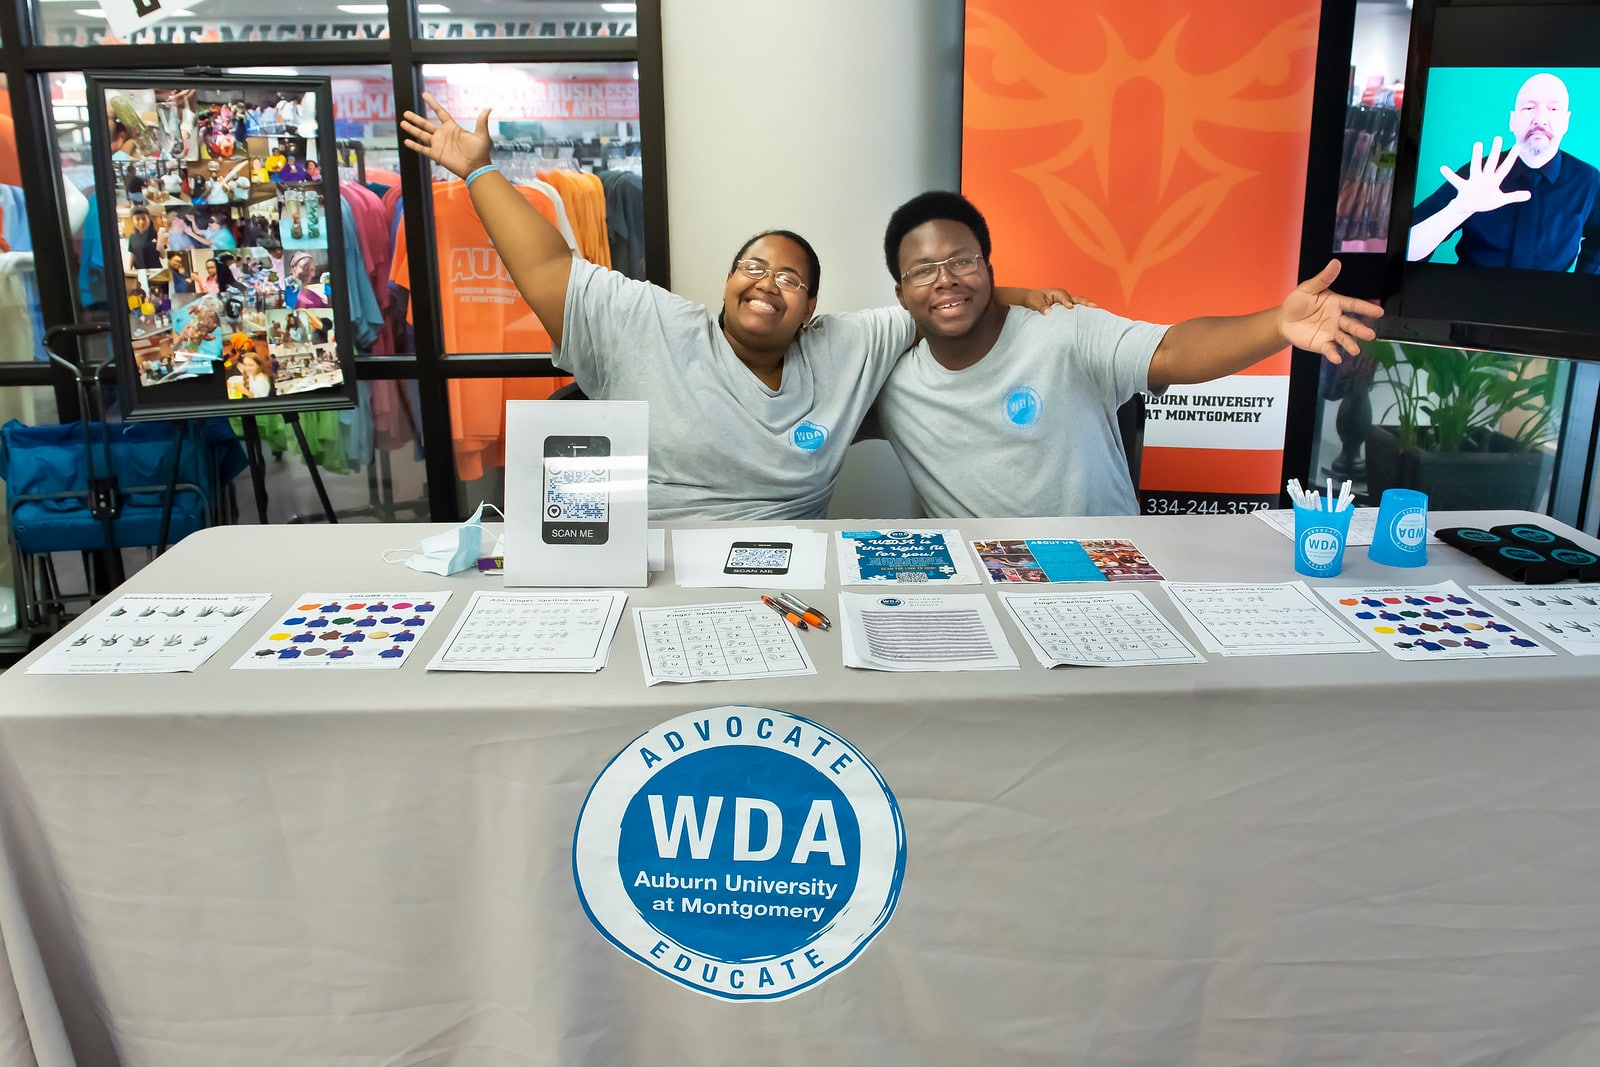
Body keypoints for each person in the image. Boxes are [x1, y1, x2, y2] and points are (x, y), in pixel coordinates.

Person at [399, 93, 1070, 520]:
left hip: (785, 582)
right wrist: (480, 172)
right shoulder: (649, 325)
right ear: (724, 283)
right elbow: (548, 266)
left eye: (790, 278)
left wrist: (1019, 294)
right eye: (752, 267)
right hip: (657, 570)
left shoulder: (844, 347)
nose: (767, 283)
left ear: (810, 309)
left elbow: (935, 299)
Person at [872, 191, 1384, 518]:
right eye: (922, 270)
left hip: (1107, 573)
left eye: (962, 260)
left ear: (988, 267)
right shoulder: (891, 386)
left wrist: (1277, 324)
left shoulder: (1062, 330)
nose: (945, 280)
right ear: (901, 293)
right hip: (984, 587)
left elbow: (1174, 349)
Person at [1408, 73, 1600, 272]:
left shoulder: (1589, 180)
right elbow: (1405, 250)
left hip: (1550, 300)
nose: (1541, 119)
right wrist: (1457, 210)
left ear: (1566, 121)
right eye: (1529, 108)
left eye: (1553, 109)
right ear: (1512, 121)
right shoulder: (1477, 174)